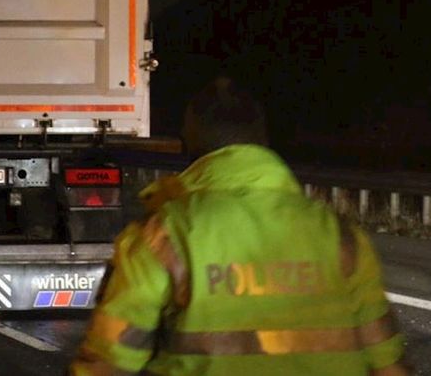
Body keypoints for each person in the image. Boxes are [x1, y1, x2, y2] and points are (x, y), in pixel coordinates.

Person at [69, 77, 409, 375]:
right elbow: (387, 362)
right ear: (261, 139)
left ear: (190, 141)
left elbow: (109, 361)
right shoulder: (340, 236)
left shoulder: (162, 234)